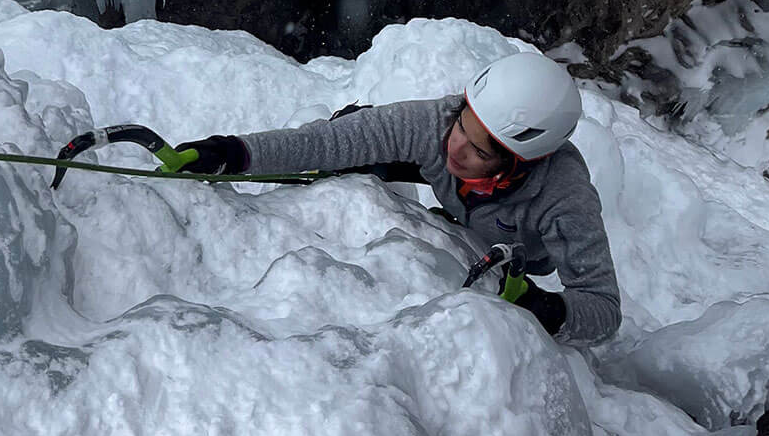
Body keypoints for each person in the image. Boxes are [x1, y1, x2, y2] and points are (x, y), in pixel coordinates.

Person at [176, 51, 622, 344]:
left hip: (523, 247)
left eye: (479, 150)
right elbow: (328, 141)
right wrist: (234, 151)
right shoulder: (439, 123)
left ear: (520, 162)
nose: (456, 147)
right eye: (463, 125)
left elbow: (604, 308)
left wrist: (549, 309)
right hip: (464, 207)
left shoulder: (563, 197)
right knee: (356, 135)